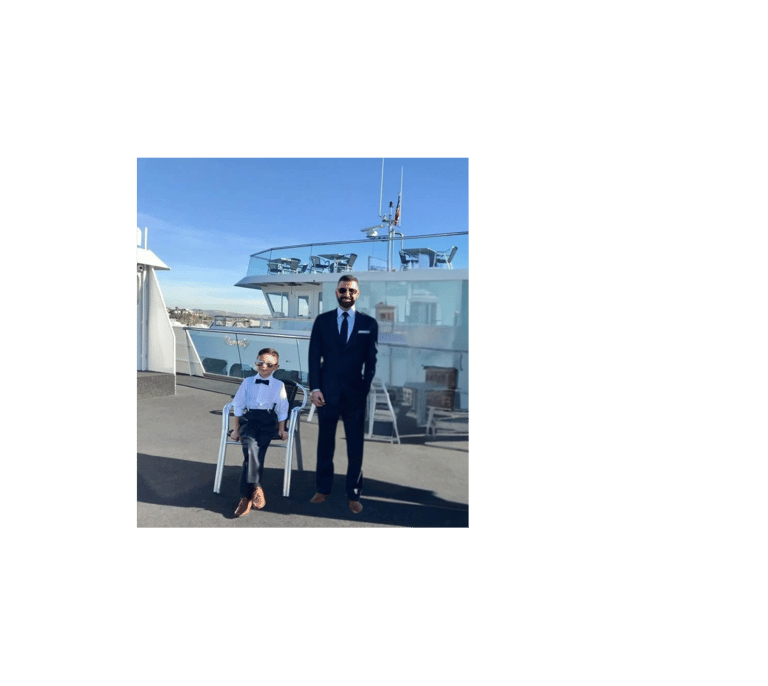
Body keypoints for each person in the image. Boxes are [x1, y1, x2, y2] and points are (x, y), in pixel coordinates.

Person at [308, 275, 378, 513]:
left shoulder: (369, 324)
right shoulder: (322, 321)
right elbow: (313, 357)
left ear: (358, 294)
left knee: (355, 446)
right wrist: (314, 388)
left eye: (351, 290)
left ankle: (354, 493)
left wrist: (364, 389)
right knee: (325, 444)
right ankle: (323, 488)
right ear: (336, 292)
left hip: (354, 396)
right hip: (326, 394)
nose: (347, 294)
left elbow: (371, 362)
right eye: (342, 290)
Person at [230, 348, 289, 517]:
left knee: (253, 453)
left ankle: (245, 498)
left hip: (267, 421)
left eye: (269, 364)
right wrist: (235, 430)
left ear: (275, 367)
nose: (264, 366)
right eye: (260, 362)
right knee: (251, 449)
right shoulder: (247, 382)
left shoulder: (279, 385)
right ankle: (255, 487)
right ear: (256, 363)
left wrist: (281, 429)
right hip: (249, 420)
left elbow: (282, 409)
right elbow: (238, 407)